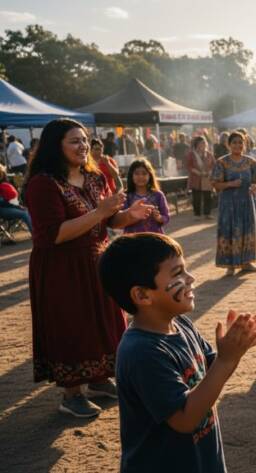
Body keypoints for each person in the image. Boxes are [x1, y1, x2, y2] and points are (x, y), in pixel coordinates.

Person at [99, 233, 256, 472]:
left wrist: (234, 347)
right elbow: (185, 418)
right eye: (178, 273)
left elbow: (210, 369)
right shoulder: (141, 353)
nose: (191, 278)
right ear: (142, 295)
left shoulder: (181, 323)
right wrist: (227, 360)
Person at [23, 118, 153, 418]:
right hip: (61, 267)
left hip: (98, 261)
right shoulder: (43, 183)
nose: (82, 146)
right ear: (56, 145)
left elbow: (108, 221)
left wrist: (127, 215)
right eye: (74, 141)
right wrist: (101, 212)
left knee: (104, 322)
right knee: (72, 325)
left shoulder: (94, 178)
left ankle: (99, 379)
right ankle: (71, 395)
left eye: (84, 140)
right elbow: (52, 235)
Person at [211, 132, 256, 276]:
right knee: (229, 231)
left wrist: (255, 186)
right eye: (234, 142)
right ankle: (230, 265)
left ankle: (247, 262)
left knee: (247, 230)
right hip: (228, 204)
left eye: (240, 142)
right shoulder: (221, 162)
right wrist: (230, 183)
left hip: (246, 202)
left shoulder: (251, 162)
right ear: (229, 144)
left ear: (244, 144)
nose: (237, 145)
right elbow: (215, 184)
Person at [122, 158, 170, 234]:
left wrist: (158, 217)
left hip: (154, 237)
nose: (140, 177)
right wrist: (133, 214)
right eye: (137, 173)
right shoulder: (125, 196)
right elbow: (120, 221)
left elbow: (166, 217)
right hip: (132, 239)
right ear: (131, 175)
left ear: (150, 175)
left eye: (144, 173)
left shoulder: (158, 195)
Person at [185, 136, 215, 220]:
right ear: (197, 144)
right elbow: (188, 166)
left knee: (208, 196)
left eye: (205, 143)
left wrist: (210, 172)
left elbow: (214, 165)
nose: (204, 145)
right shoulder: (191, 154)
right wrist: (197, 172)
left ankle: (207, 213)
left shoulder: (209, 154)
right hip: (196, 178)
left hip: (207, 178)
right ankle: (197, 214)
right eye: (202, 143)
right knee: (196, 197)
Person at [0, 163, 32, 233]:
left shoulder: (3, 182)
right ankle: (36, 235)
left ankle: (38, 232)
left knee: (28, 211)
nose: (2, 175)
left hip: (8, 206)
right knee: (25, 214)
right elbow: (3, 202)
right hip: (2, 210)